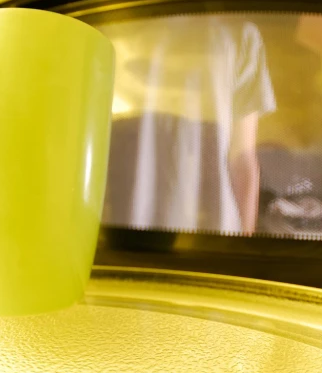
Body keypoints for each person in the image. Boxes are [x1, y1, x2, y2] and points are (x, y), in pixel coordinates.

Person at [101, 14, 276, 236]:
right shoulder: (109, 30)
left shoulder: (241, 36)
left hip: (210, 231)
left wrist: (242, 247)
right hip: (122, 227)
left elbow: (243, 160)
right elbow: (243, 159)